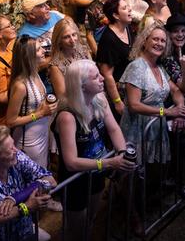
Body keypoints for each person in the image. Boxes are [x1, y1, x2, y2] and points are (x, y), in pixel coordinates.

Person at [52, 59, 134, 240]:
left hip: (96, 172)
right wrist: (110, 162)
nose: (102, 79)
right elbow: (71, 162)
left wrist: (121, 153)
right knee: (76, 229)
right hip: (75, 181)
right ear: (81, 86)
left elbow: (113, 128)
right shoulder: (67, 116)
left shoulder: (100, 98)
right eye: (96, 77)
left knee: (92, 219)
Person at [120, 23, 185, 201]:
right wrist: (169, 113)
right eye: (155, 39)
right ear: (144, 41)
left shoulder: (158, 67)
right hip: (137, 128)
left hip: (154, 126)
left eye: (163, 40)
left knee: (149, 172)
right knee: (132, 173)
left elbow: (178, 91)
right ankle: (130, 214)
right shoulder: (137, 67)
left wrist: (180, 109)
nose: (159, 43)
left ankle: (143, 205)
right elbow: (134, 105)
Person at [4, 36, 57, 169]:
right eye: (39, 50)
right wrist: (40, 114)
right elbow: (10, 121)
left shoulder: (35, 72)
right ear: (29, 57)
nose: (43, 51)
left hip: (42, 132)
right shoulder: (21, 86)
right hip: (28, 141)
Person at [48, 17, 91, 100]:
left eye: (74, 35)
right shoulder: (55, 66)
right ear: (59, 40)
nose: (72, 40)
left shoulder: (84, 50)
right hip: (75, 104)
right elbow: (63, 98)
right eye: (66, 37)